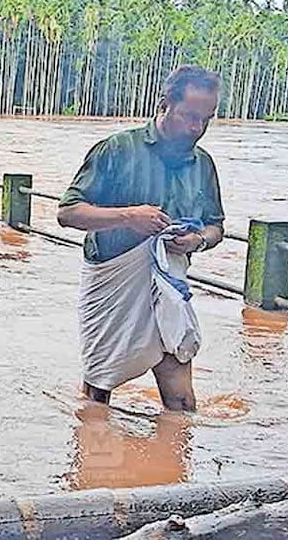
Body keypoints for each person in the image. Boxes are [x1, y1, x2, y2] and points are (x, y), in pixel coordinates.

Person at [57, 65, 226, 412]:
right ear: (164, 104)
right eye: (189, 116)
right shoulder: (116, 150)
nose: (197, 128)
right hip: (112, 285)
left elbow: (215, 227)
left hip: (169, 285)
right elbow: (68, 212)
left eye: (206, 119)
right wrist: (127, 217)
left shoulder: (203, 164)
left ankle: (175, 462)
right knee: (97, 397)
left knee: (181, 403)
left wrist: (198, 241)